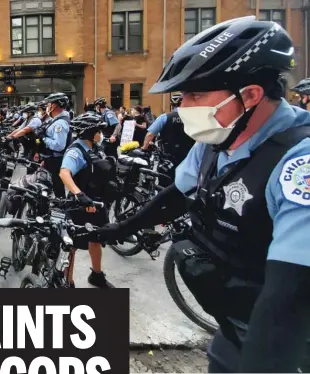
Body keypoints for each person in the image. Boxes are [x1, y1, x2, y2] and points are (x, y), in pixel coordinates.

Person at [95, 16, 310, 372]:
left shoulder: (298, 163)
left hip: (287, 346)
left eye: (196, 95)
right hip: (234, 330)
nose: (183, 108)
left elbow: (291, 293)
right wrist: (116, 230)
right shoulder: (217, 140)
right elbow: (176, 195)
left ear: (251, 95)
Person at [59, 112, 114, 288]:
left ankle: (97, 275)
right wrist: (79, 194)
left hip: (97, 203)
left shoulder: (95, 147)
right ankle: (67, 281)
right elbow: (64, 173)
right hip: (80, 205)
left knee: (96, 239)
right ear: (89, 132)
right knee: (72, 245)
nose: (101, 134)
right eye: (98, 130)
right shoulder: (76, 151)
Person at [11, 93, 71, 198]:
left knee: (56, 187)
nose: (47, 107)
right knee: (47, 185)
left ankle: (59, 209)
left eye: (49, 104)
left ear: (55, 105)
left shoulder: (60, 123)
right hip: (49, 159)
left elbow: (58, 146)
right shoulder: (54, 120)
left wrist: (43, 138)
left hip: (56, 161)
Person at [142, 93, 196, 176]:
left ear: (172, 105)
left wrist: (144, 148)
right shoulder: (192, 118)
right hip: (188, 154)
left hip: (167, 155)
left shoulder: (165, 117)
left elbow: (150, 134)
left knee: (165, 179)